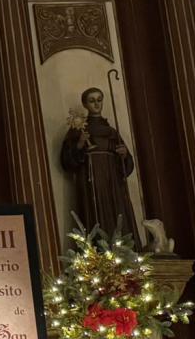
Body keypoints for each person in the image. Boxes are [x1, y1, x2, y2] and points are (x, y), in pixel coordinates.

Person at [60, 87, 139, 244]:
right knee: (96, 213)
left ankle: (121, 248)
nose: (96, 104)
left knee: (117, 212)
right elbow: (68, 160)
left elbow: (126, 166)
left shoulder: (112, 132)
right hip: (92, 181)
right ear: (85, 104)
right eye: (92, 100)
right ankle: (99, 249)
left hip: (112, 182)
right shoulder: (78, 130)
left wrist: (124, 155)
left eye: (99, 100)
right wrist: (81, 143)